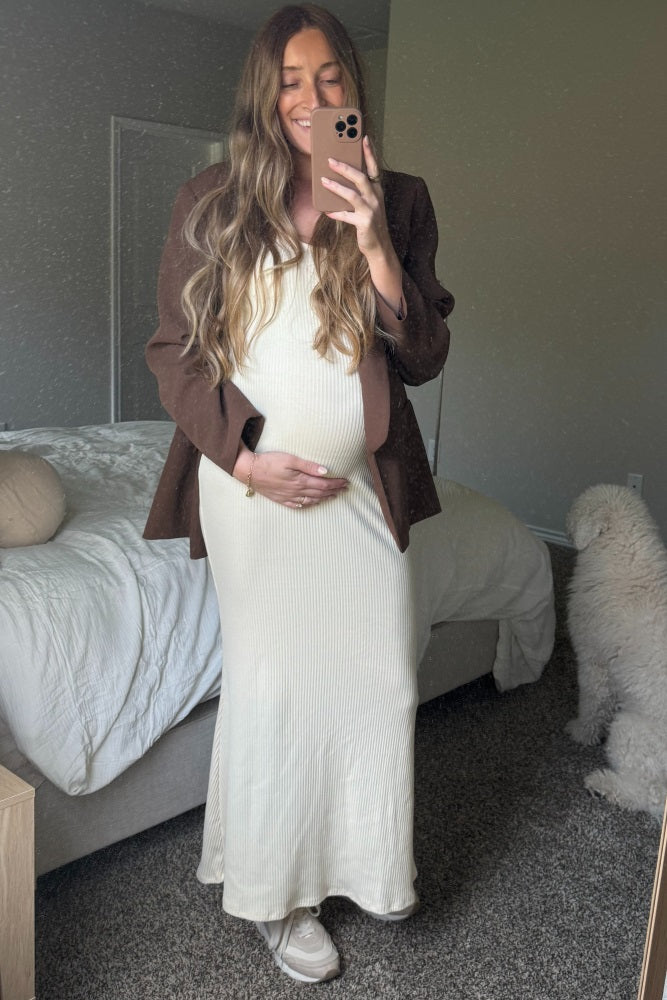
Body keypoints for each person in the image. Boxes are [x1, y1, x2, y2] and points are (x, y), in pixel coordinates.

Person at [144, 2, 454, 985]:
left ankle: (362, 863)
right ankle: (277, 898)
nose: (311, 99)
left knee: (382, 677)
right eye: (290, 82)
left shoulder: (400, 199)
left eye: (329, 80)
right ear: (263, 94)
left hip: (362, 489)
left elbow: (425, 355)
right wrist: (245, 460)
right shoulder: (211, 198)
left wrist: (376, 248)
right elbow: (174, 353)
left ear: (352, 90)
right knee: (275, 690)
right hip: (251, 492)